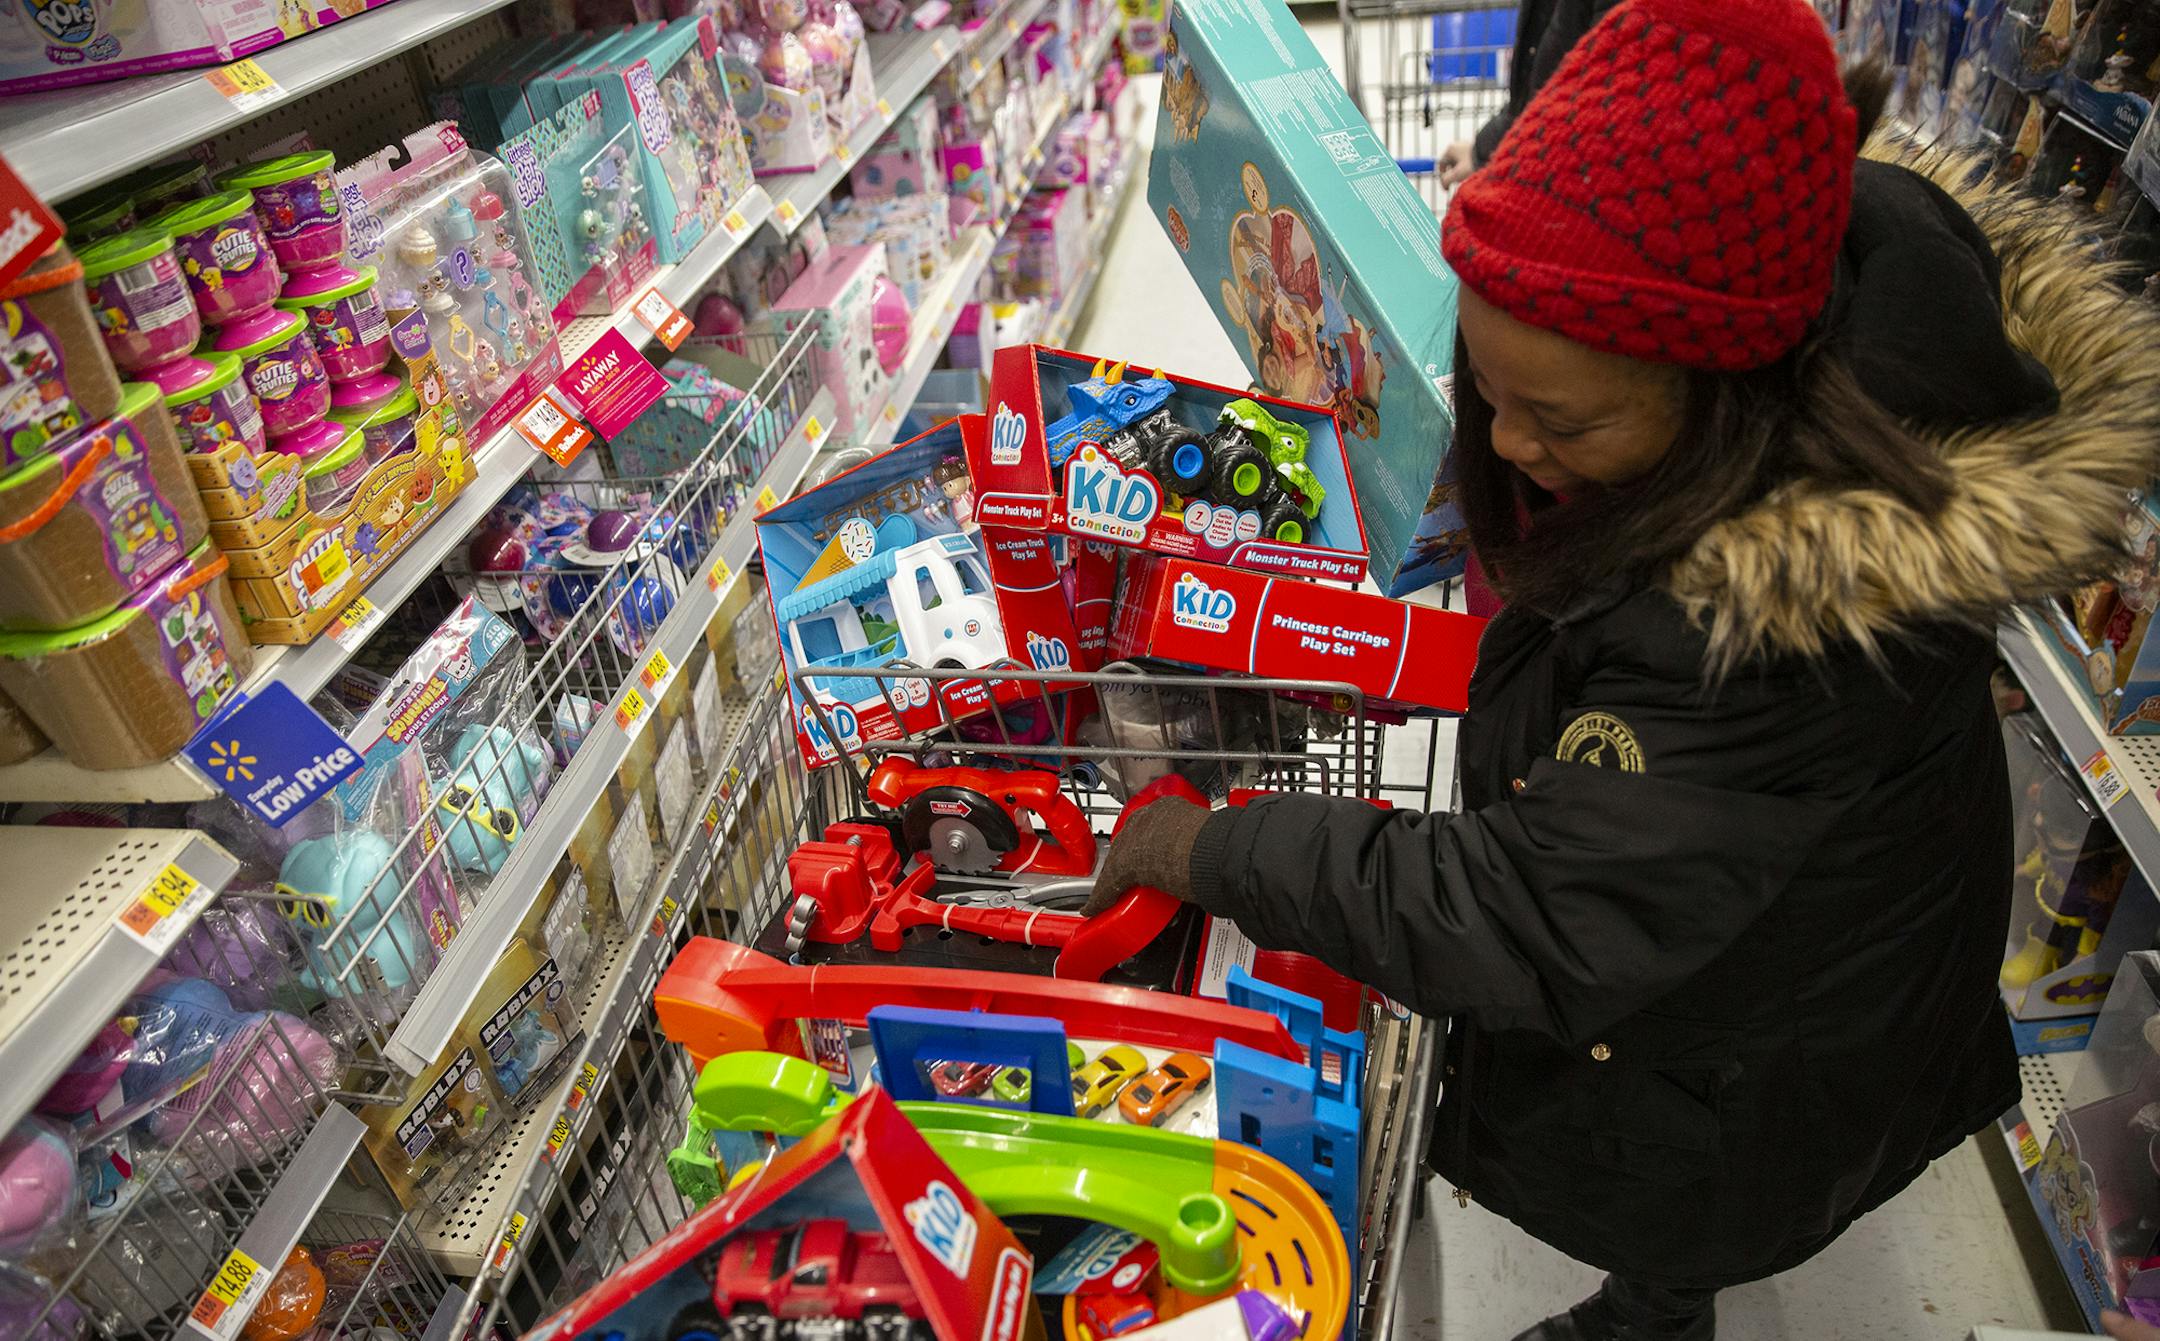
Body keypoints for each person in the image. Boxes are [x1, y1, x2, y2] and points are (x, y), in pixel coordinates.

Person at [1087, 0, 2160, 1336]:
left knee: (1696, 1194)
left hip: (1770, 1046)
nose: (1511, 442)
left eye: (1561, 419)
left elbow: (1526, 914)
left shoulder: (1778, 646)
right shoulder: (1813, 284)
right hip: (1761, 924)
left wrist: (1211, 850)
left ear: (1732, 389)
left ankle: (1652, 1312)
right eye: (1485, 391)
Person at [1437, 0, 1625, 186]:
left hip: (1580, 183)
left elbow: (1602, 100)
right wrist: (1479, 151)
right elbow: (1534, 95)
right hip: (1557, 172)